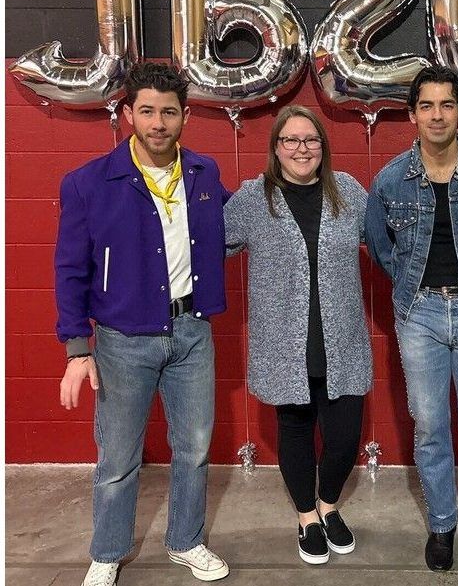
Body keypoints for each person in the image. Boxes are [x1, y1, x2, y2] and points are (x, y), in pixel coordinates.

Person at [56, 62, 230, 586]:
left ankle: (186, 541)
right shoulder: (88, 182)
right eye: (148, 111)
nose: (158, 123)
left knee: (195, 447)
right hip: (122, 340)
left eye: (169, 112)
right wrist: (77, 348)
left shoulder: (205, 173)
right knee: (118, 456)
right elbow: (70, 268)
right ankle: (108, 552)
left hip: (192, 334)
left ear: (186, 117)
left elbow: (234, 224)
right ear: (128, 113)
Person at [365, 65, 458, 572]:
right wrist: (409, 286)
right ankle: (441, 524)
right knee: (430, 425)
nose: (436, 114)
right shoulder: (390, 180)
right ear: (412, 114)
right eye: (426, 105)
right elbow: (379, 243)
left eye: (446, 104)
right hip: (420, 314)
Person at [224, 105, 371, 566]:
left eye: (310, 139)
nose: (301, 148)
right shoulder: (254, 198)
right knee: (296, 431)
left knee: (345, 437)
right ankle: (307, 517)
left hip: (341, 341)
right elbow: (209, 245)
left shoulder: (347, 192)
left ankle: (329, 504)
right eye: (290, 140)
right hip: (284, 344)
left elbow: (387, 242)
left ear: (323, 146)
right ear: (275, 148)